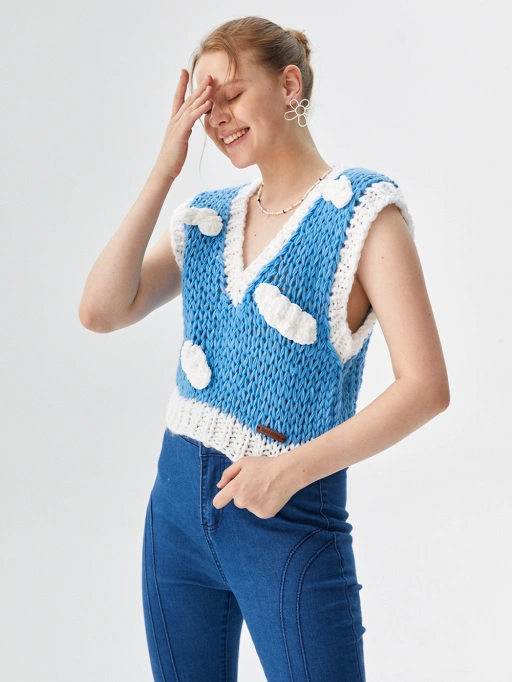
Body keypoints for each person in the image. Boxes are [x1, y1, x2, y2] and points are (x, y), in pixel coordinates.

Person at [78, 15, 450, 682]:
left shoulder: (364, 214)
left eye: (232, 94)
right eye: (205, 105)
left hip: (288, 520)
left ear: (288, 85)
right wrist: (164, 169)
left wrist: (290, 470)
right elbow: (100, 310)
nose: (217, 117)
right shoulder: (209, 217)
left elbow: (426, 386)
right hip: (173, 520)